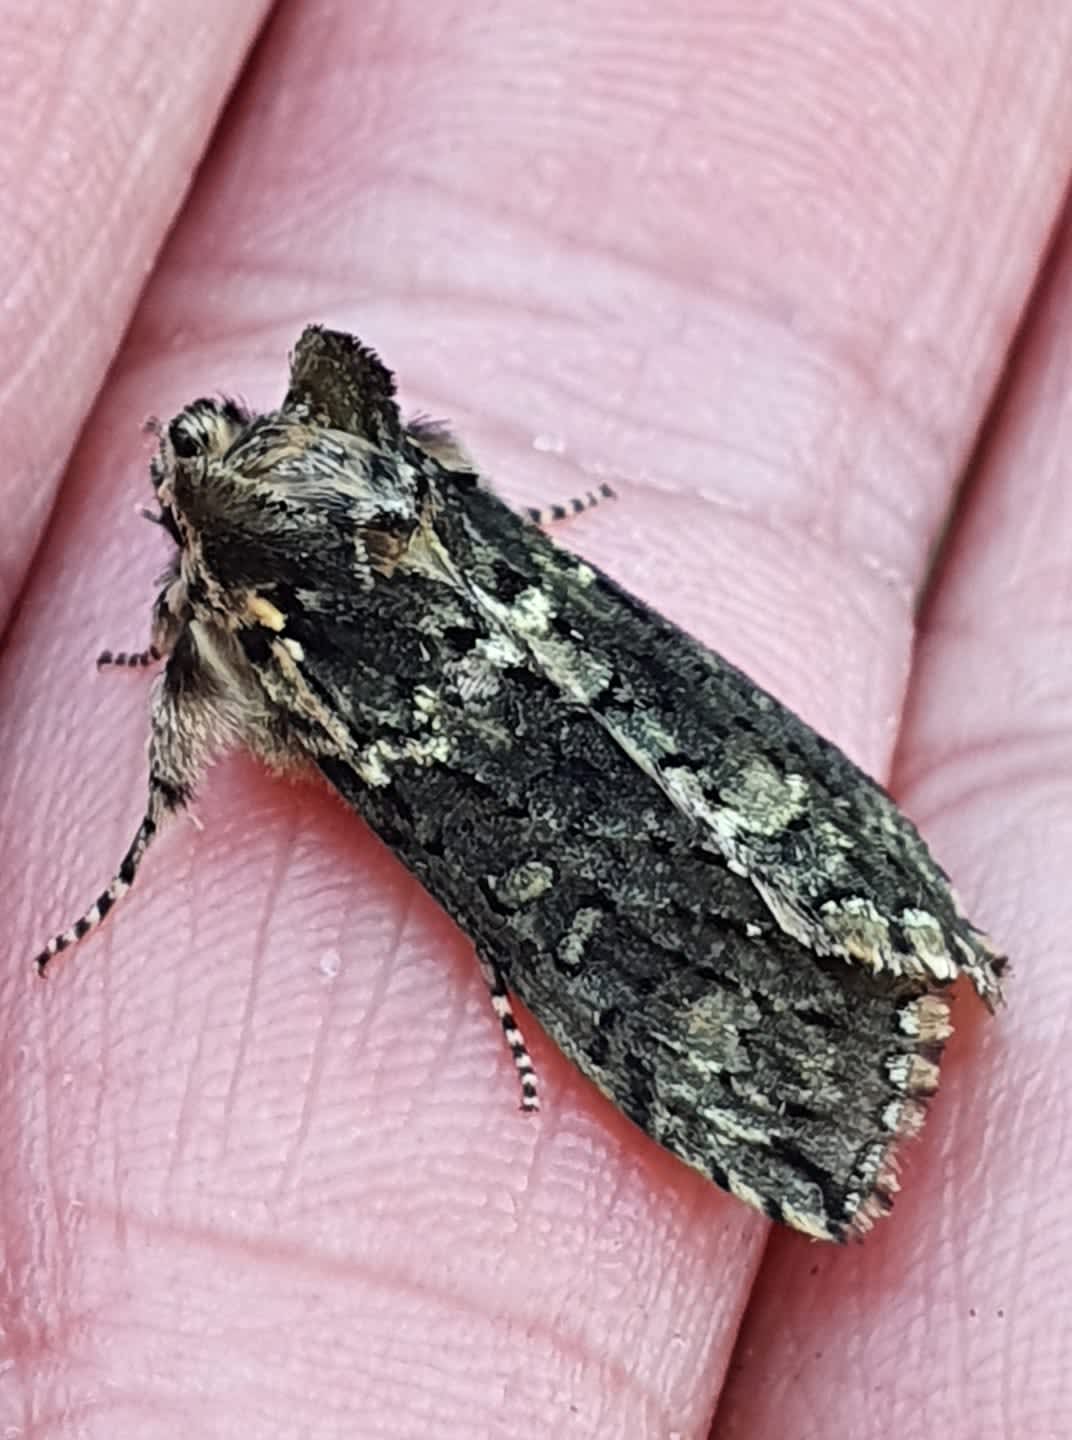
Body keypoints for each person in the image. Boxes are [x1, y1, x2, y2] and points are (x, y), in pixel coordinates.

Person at [2, 2, 1068, 1435]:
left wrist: (142, 836)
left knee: (545, 786)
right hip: (637, 687)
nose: (182, 453)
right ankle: (869, 975)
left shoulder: (245, 597)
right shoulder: (345, 523)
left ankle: (846, 1020)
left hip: (525, 765)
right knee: (630, 722)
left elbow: (204, 703)